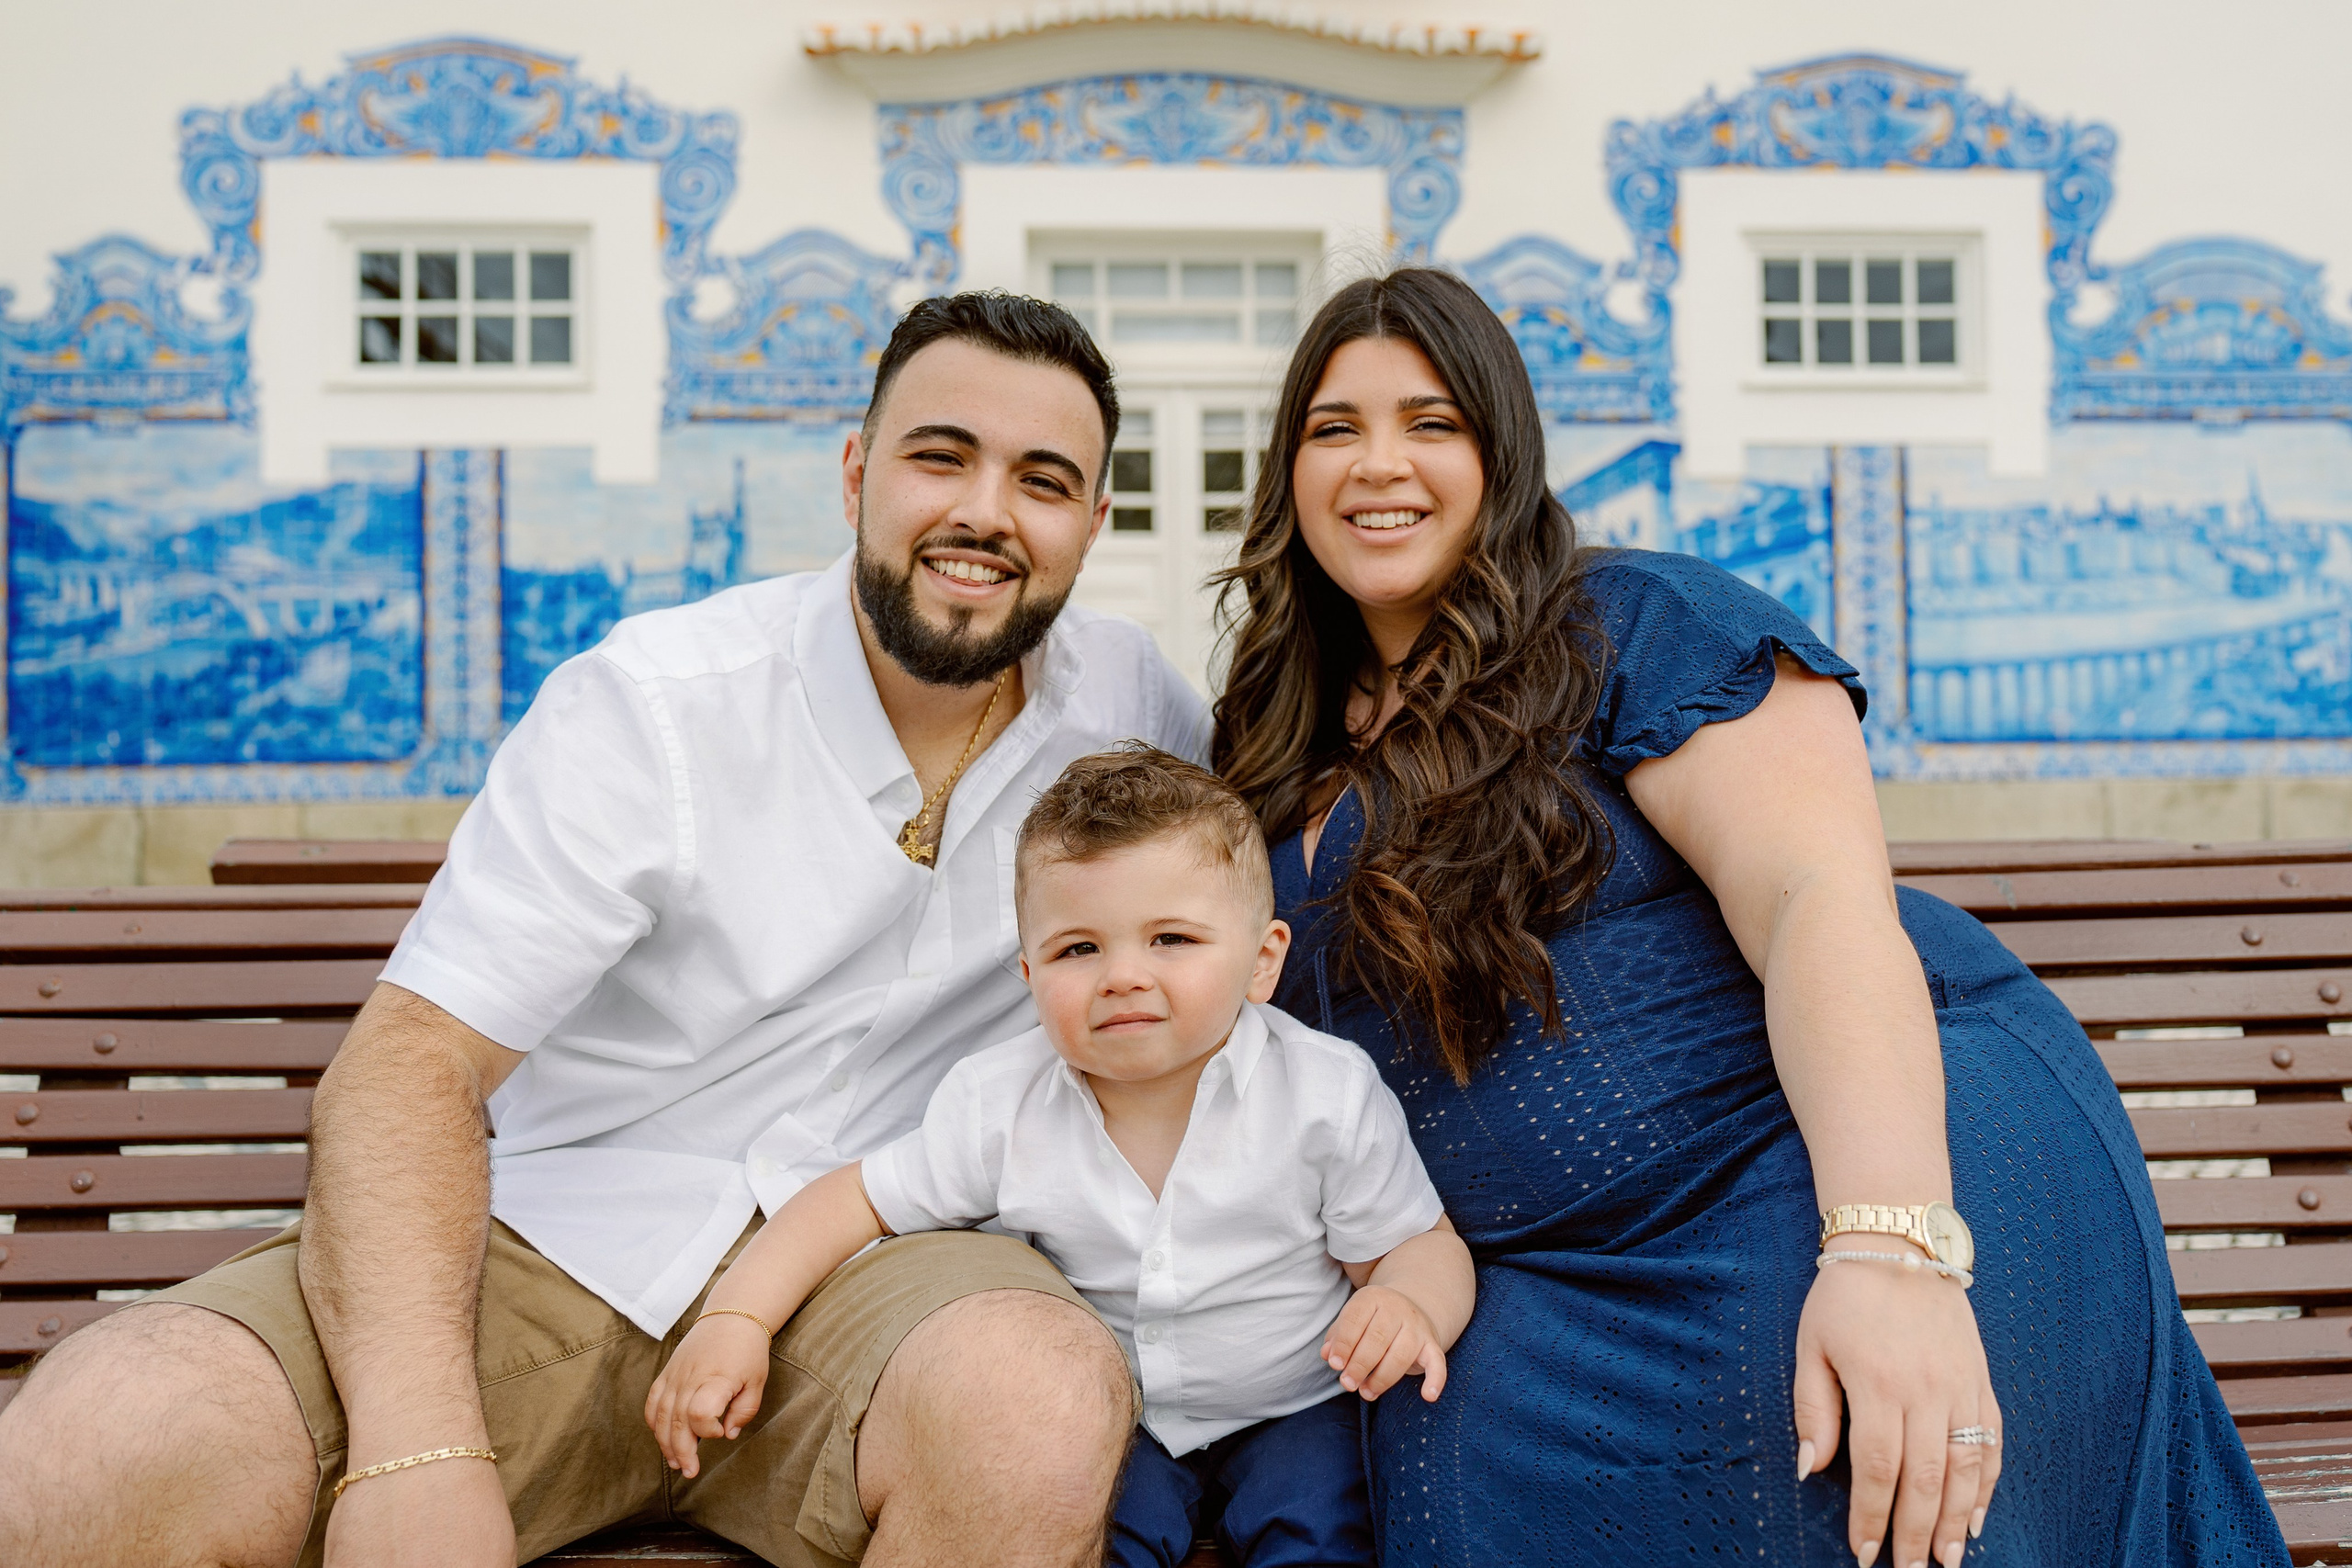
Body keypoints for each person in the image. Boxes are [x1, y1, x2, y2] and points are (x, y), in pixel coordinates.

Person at [0, 292, 1210, 1568]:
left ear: (1093, 524)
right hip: (552, 1250)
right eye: (939, 455)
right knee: (111, 1429)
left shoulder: (1130, 707)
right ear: (856, 471)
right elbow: (414, 1062)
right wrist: (418, 1448)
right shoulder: (654, 704)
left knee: (1036, 1396)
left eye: (1043, 479)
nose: (985, 512)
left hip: (884, 1272)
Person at [1209, 268, 2291, 1568]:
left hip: (1820, 1148)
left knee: (1823, 1447)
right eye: (1336, 428)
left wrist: (1893, 1250)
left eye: (1433, 422)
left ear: (1504, 451)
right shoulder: (1263, 742)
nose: (1381, 463)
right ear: (1287, 471)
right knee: (1452, 1465)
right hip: (1523, 1262)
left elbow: (1816, 899)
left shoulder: (1633, 622)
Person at [643, 745, 1476, 1568]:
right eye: (1079, 948)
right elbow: (852, 1200)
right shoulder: (998, 1102)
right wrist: (735, 1317)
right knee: (1080, 1529)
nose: (1122, 975)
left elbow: (1419, 1243)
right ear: (1029, 970)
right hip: (1120, 1417)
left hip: (1295, 1401)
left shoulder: (1324, 1095)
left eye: (1171, 938)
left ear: (1262, 961)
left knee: (1325, 1535)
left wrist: (1410, 1303)